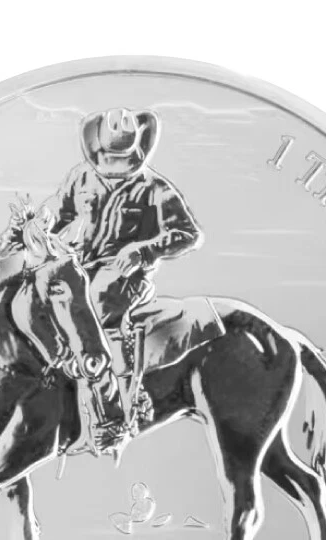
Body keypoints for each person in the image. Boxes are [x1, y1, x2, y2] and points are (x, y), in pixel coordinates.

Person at [40, 107, 203, 452]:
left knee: (97, 306)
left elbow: (187, 233)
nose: (115, 165)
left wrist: (144, 251)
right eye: (109, 157)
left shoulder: (155, 188)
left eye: (123, 158)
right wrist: (43, 225)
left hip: (126, 277)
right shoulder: (80, 178)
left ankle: (114, 412)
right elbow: (59, 213)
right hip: (80, 267)